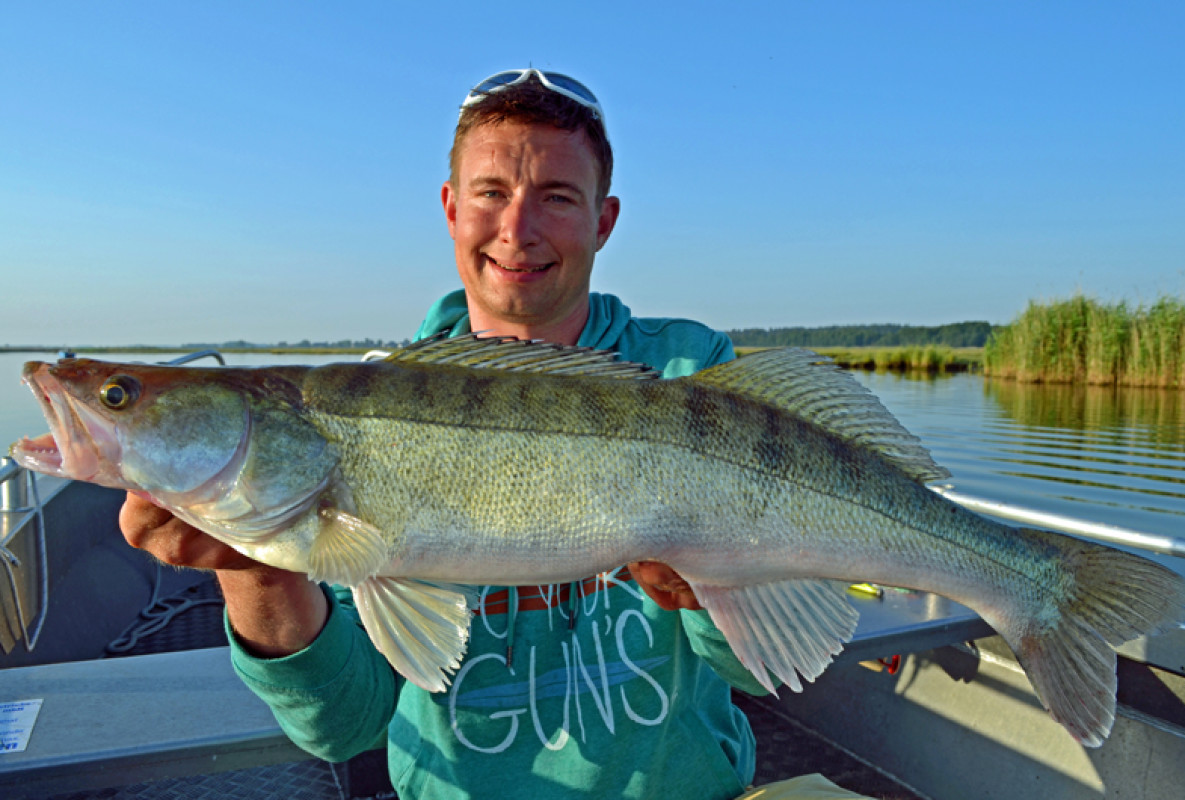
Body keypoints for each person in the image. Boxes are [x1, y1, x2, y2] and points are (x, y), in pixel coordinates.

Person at [119, 69, 869, 800]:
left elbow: (758, 672)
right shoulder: (356, 412)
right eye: (492, 193)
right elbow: (347, 725)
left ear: (603, 221)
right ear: (451, 208)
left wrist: (708, 591)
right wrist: (256, 561)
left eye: (556, 197)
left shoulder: (687, 372)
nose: (518, 229)